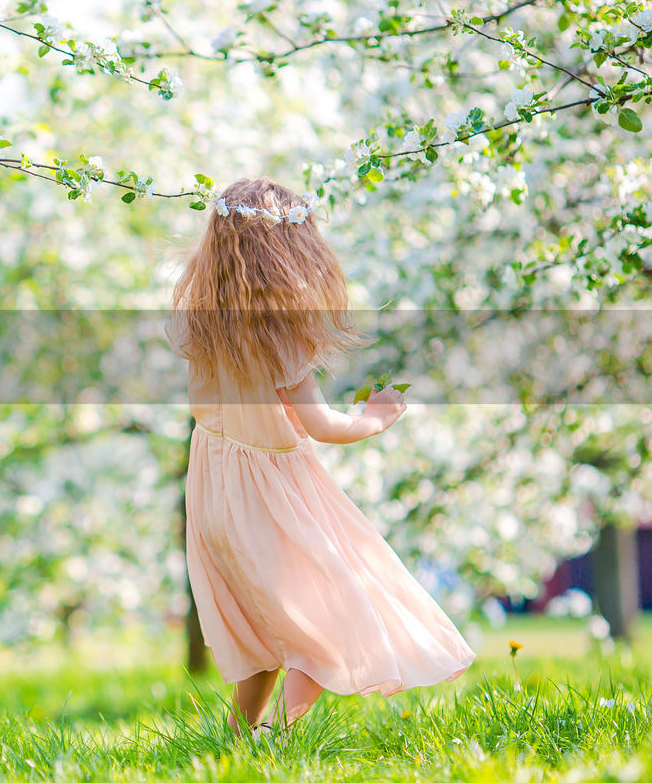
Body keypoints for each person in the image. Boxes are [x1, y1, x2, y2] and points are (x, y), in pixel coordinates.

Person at [168, 176, 476, 736]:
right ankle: (285, 737)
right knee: (327, 611)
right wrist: (377, 417)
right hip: (273, 490)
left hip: (215, 491)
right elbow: (322, 425)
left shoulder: (203, 327)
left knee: (265, 626)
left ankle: (241, 736)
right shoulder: (283, 338)